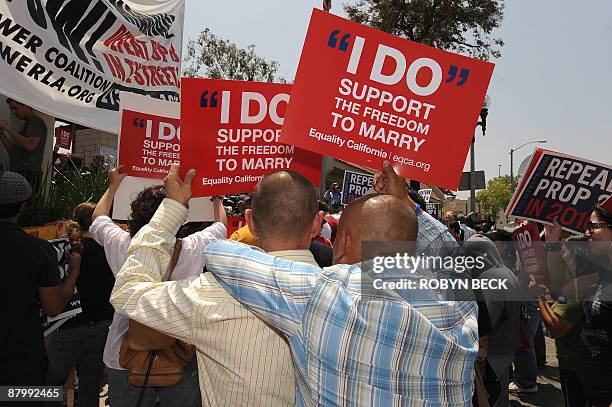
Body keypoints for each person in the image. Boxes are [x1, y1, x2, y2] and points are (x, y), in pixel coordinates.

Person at [198, 162, 479, 405]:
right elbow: (449, 251)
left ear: (342, 242)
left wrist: (215, 233)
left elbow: (222, 255)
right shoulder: (459, 302)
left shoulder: (325, 293)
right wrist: (404, 202)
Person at [108, 166, 333, 406]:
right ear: (317, 223)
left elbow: (127, 292)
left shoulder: (211, 294)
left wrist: (172, 209)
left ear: (250, 222)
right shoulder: (349, 295)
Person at [89, 167, 225, 407]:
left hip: (124, 356)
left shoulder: (122, 244)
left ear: (135, 214)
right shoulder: (194, 247)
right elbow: (220, 227)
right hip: (181, 354)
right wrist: (217, 199)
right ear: (180, 215)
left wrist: (113, 187)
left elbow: (98, 218)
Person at [0, 171, 80, 386]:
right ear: (23, 206)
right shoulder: (39, 250)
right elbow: (53, 307)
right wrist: (73, 274)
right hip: (21, 362)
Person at [45, 203, 115, 406]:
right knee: (90, 387)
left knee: (49, 386)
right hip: (102, 324)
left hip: (68, 327)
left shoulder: (65, 251)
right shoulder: (112, 250)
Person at [463, 234, 521, 407]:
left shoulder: (489, 278)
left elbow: (487, 320)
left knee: (493, 395)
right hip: (506, 345)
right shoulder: (506, 271)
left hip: (493, 351)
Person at [536, 236, 592, 407]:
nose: (561, 256)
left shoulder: (578, 287)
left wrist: (539, 297)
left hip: (575, 363)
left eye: (564, 251)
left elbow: (556, 327)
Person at [0, 99, 48, 188]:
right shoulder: (26, 125)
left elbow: (30, 145)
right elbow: (12, 151)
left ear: (26, 105)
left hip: (28, 173)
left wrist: (8, 128)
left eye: (15, 108)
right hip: (20, 172)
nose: (13, 112)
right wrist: (1, 133)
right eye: (11, 109)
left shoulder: (35, 122)